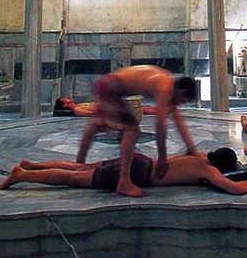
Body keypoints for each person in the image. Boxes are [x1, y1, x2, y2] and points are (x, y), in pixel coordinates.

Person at [75, 65, 199, 197]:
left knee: (96, 125)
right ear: (181, 92)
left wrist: (192, 149)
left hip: (108, 85)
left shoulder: (168, 83)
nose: (179, 104)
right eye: (182, 101)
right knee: (132, 130)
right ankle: (123, 182)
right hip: (110, 87)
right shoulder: (165, 88)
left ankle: (78, 163)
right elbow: (160, 125)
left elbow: (178, 120)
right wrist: (162, 157)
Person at [0, 147, 247, 196]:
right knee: (74, 179)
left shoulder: (196, 155)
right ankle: (23, 175)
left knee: (81, 167)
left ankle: (32, 165)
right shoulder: (208, 170)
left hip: (140, 160)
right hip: (139, 174)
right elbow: (234, 189)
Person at [53, 96, 158, 117]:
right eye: (64, 98)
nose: (67, 97)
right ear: (64, 104)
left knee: (139, 107)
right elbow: (92, 113)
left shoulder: (78, 105)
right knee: (140, 109)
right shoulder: (76, 110)